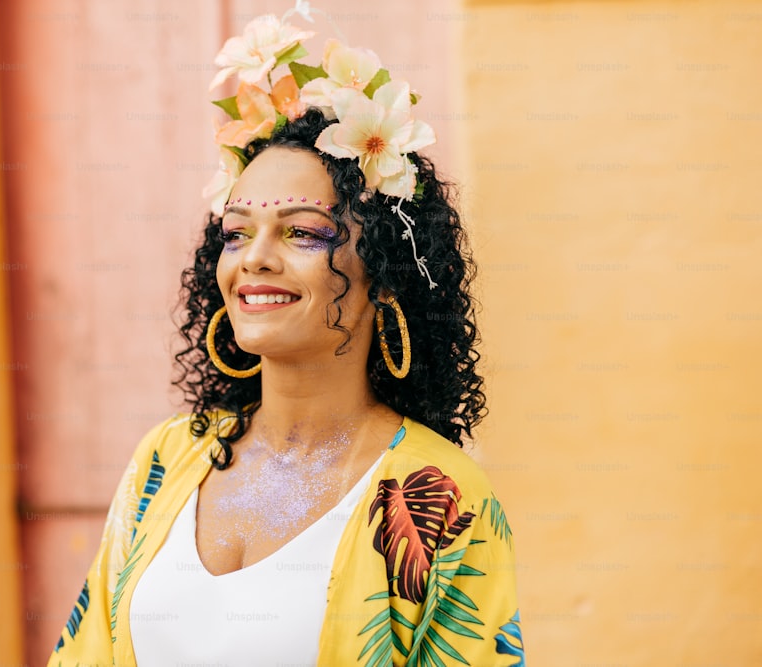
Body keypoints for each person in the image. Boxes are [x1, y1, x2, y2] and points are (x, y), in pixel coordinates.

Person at [48, 7, 525, 666]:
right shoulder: (166, 460)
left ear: (383, 274)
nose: (254, 258)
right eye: (237, 232)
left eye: (301, 232)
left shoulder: (437, 496)